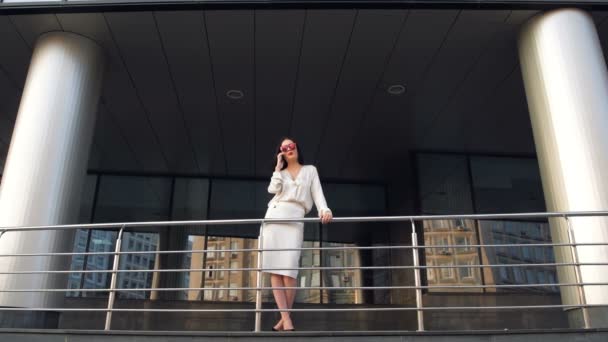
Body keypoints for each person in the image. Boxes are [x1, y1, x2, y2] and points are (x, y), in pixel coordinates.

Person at [261, 137, 333, 331]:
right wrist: (277, 168)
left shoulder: (310, 170)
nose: (288, 148)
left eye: (291, 145)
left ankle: (284, 319)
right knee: (275, 271)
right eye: (284, 148)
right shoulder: (280, 173)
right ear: (281, 152)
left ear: (297, 148)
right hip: (274, 218)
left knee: (290, 271)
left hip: (294, 219)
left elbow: (318, 193)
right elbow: (272, 189)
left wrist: (325, 210)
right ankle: (287, 320)